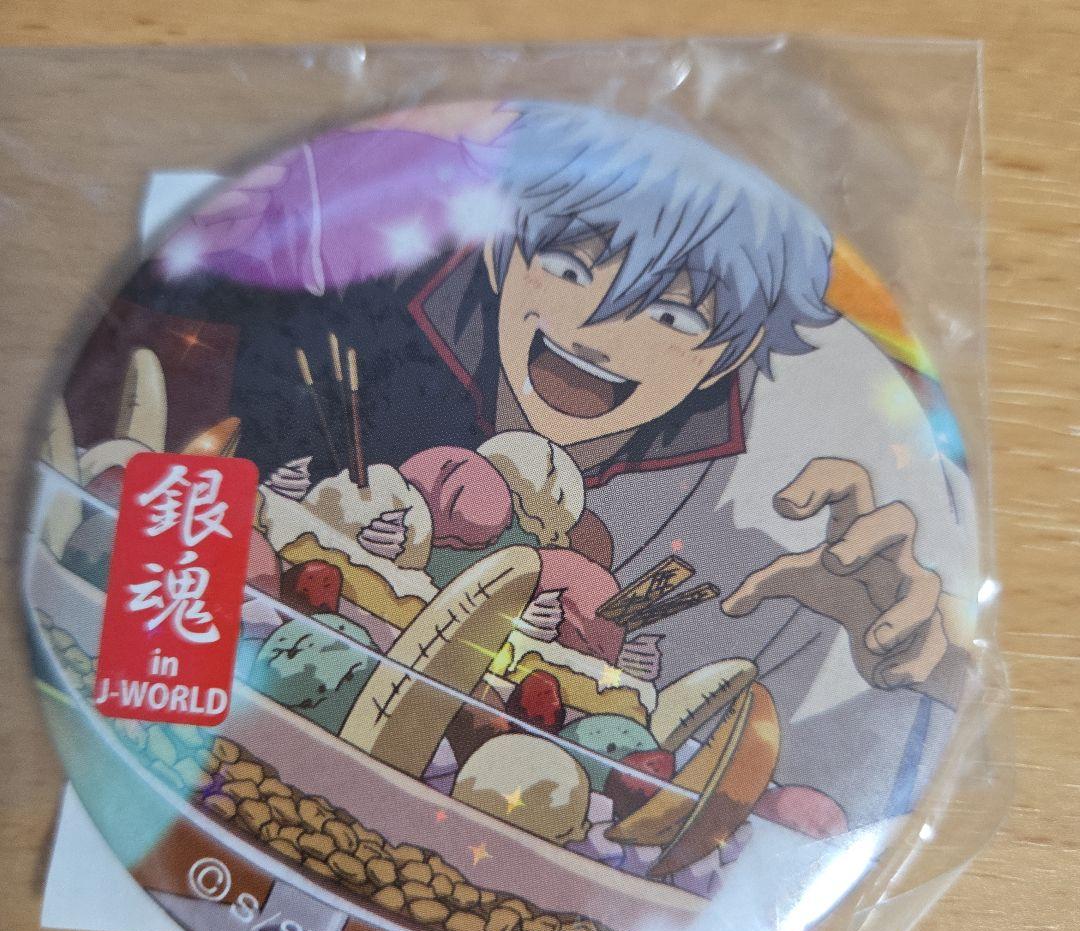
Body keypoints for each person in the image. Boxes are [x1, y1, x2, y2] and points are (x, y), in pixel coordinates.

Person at [113, 100, 977, 828]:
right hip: (192, 780)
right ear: (504, 248)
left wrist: (918, 674)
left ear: (733, 353)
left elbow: (782, 811)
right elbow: (126, 496)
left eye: (673, 318)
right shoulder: (342, 329)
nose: (595, 334)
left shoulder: (745, 557)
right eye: (568, 266)